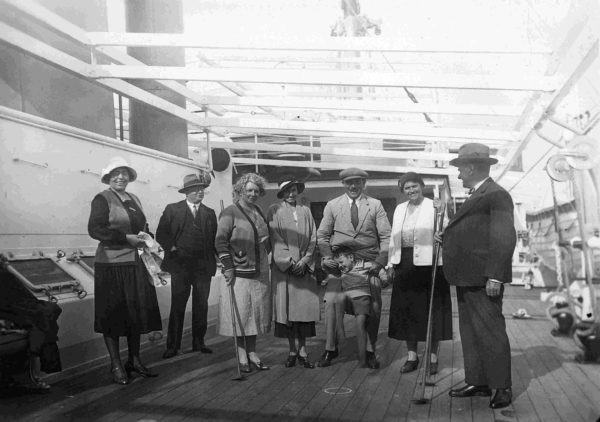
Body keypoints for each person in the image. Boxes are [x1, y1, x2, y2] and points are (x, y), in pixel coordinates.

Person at [440, 143, 516, 409]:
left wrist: (495, 276)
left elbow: (504, 238)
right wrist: (448, 236)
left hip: (483, 279)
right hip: (466, 277)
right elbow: (473, 233)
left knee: (491, 332)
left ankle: (501, 387)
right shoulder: (478, 194)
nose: (459, 175)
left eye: (460, 170)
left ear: (470, 168)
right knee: (471, 333)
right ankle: (479, 380)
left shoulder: (496, 194)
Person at [88, 157, 162, 385]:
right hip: (111, 265)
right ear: (108, 177)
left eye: (124, 173)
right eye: (116, 173)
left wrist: (148, 238)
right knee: (113, 315)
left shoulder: (134, 198)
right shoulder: (102, 198)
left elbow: (142, 227)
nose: (121, 177)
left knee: (135, 314)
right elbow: (95, 229)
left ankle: (134, 360)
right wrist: (126, 238)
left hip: (134, 263)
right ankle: (116, 364)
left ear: (129, 177)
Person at [316, 167, 391, 368]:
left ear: (363, 184)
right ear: (343, 184)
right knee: (331, 303)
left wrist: (380, 262)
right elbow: (322, 235)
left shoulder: (375, 205)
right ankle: (330, 349)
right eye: (349, 182)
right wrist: (326, 256)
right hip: (339, 265)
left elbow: (386, 236)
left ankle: (369, 351)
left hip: (367, 264)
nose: (353, 186)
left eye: (357, 182)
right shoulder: (332, 206)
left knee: (373, 307)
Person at [386, 172, 452, 375]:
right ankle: (412, 356)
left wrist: (441, 233)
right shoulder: (399, 209)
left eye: (414, 186)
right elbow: (393, 238)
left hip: (429, 264)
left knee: (432, 312)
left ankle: (432, 357)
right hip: (404, 264)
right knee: (408, 312)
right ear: (403, 191)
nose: (411, 190)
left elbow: (447, 228)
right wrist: (390, 263)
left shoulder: (435, 206)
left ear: (421, 186)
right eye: (407, 188)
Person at [157, 172, 217, 359]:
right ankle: (172, 346)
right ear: (187, 192)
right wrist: (172, 247)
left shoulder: (209, 213)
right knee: (178, 306)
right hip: (180, 267)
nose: (200, 192)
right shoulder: (172, 210)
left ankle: (199, 342)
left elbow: (215, 239)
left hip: (202, 268)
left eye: (202, 189)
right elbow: (161, 234)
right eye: (196, 189)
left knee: (201, 305)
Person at [216, 173, 272, 372]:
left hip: (260, 270)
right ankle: (241, 353)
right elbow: (220, 241)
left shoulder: (258, 210)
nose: (253, 194)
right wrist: (228, 267)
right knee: (242, 313)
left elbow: (265, 237)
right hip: (239, 271)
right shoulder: (230, 212)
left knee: (256, 313)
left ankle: (252, 352)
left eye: (256, 191)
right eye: (249, 190)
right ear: (240, 190)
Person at [268, 176, 320, 369]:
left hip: (304, 270)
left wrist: (306, 260)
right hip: (286, 271)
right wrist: (289, 263)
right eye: (288, 190)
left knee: (304, 312)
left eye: (294, 190)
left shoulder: (305, 211)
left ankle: (303, 350)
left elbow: (313, 237)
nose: (292, 193)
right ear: (282, 193)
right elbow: (275, 238)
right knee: (288, 313)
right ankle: (292, 350)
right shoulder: (275, 210)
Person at [0, 267, 62, 392]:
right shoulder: (6, 275)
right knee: (41, 318)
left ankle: (22, 377)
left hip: (15, 315)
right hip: (21, 315)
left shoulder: (5, 276)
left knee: (39, 319)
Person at [333, 246, 377, 368]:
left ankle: (362, 356)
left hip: (362, 297)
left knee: (360, 324)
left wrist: (384, 275)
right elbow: (327, 266)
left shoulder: (364, 265)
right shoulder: (343, 270)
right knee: (339, 298)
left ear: (351, 258)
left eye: (341, 262)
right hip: (348, 297)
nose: (340, 266)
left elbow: (377, 267)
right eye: (338, 264)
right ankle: (340, 329)